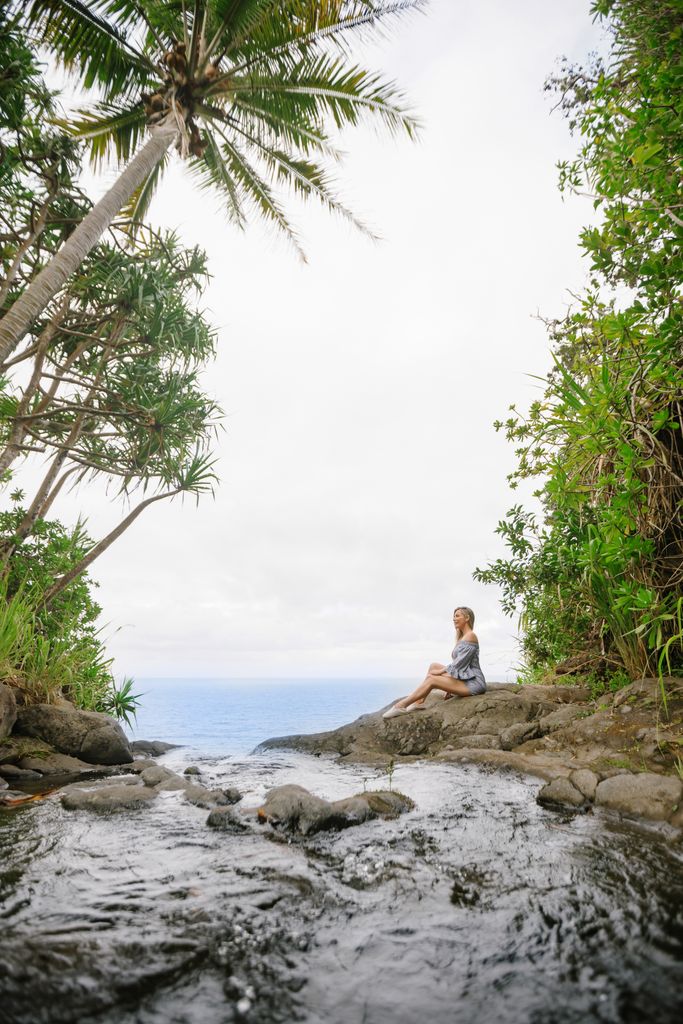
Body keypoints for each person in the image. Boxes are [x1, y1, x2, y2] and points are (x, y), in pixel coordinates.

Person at [382, 606, 486, 719]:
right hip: (466, 678)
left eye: (457, 616)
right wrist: (447, 682)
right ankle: (419, 701)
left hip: (473, 683)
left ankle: (400, 706)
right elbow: (460, 666)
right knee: (433, 666)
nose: (454, 619)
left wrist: (440, 673)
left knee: (432, 678)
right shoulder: (462, 638)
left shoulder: (471, 636)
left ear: (467, 618)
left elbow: (459, 664)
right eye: (453, 616)